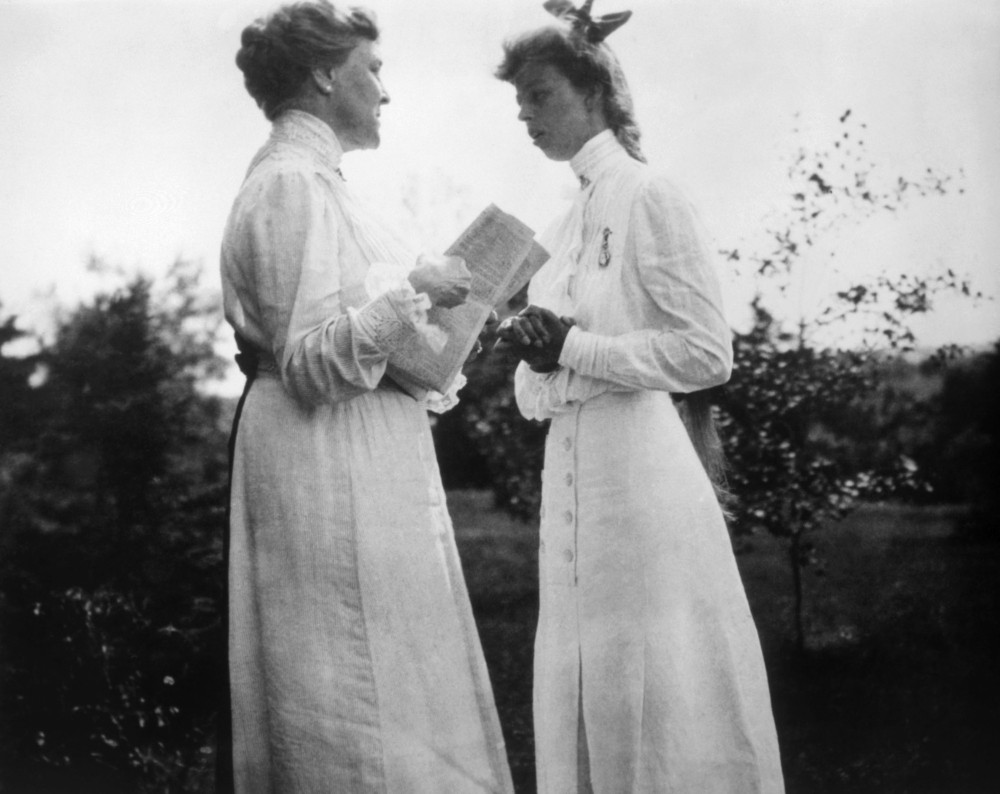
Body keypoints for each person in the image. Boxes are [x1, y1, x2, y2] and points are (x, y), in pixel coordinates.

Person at [219, 2, 513, 791]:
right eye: (373, 69)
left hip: (366, 457)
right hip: (324, 462)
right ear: (323, 74)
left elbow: (360, 343)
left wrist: (455, 318)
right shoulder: (288, 185)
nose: (385, 89)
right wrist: (416, 290)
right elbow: (312, 364)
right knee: (346, 695)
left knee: (393, 687)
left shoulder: (323, 186)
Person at [493, 2, 785, 791]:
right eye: (519, 103)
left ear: (595, 92)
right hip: (573, 480)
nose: (527, 116)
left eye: (541, 96)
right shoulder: (564, 220)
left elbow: (705, 353)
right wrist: (534, 356)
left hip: (640, 477)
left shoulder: (650, 195)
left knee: (661, 679)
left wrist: (572, 348)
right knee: (584, 672)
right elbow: (536, 389)